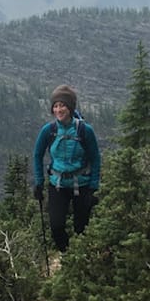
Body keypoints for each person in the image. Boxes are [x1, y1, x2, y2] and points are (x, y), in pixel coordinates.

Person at [32, 84, 101, 252]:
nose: (58, 109)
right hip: (58, 184)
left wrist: (94, 187)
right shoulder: (49, 130)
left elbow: (95, 158)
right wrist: (39, 183)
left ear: (70, 107)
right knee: (56, 226)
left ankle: (81, 258)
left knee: (81, 227)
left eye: (62, 105)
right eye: (55, 106)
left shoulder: (85, 130)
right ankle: (67, 255)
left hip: (82, 184)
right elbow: (37, 155)